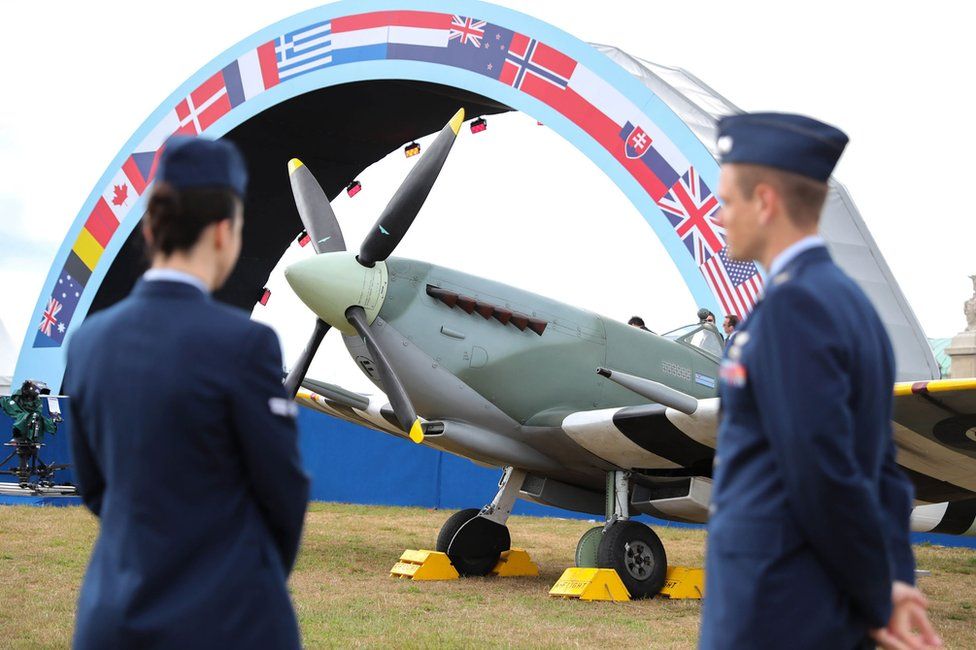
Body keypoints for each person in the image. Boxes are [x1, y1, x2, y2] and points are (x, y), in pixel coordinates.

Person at [699, 113, 941, 650]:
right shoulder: (852, 307)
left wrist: (878, 594)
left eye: (728, 202)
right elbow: (883, 472)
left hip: (776, 604)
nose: (718, 217)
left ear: (764, 202)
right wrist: (892, 582)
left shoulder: (794, 309)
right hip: (815, 605)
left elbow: (821, 469)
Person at [63, 136, 310, 649]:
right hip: (228, 623)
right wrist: (249, 578)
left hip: (112, 621)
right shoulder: (245, 345)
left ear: (152, 227)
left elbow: (94, 488)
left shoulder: (88, 343)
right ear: (224, 231)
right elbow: (282, 491)